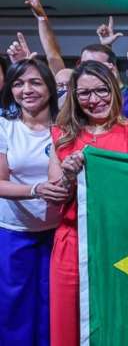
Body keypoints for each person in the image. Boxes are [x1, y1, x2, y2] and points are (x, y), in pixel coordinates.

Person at [47, 61, 128, 346]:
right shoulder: (61, 134)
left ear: (115, 90)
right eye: (84, 94)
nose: (94, 100)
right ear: (75, 97)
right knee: (68, 321)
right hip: (73, 241)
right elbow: (56, 196)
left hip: (121, 243)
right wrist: (68, 175)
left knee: (119, 320)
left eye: (102, 91)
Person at [0, 59, 68, 346]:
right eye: (18, 83)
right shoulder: (5, 127)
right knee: (14, 308)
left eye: (35, 82)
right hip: (14, 234)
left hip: (59, 234)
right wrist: (36, 189)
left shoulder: (66, 127)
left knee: (52, 306)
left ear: (50, 88)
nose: (26, 89)